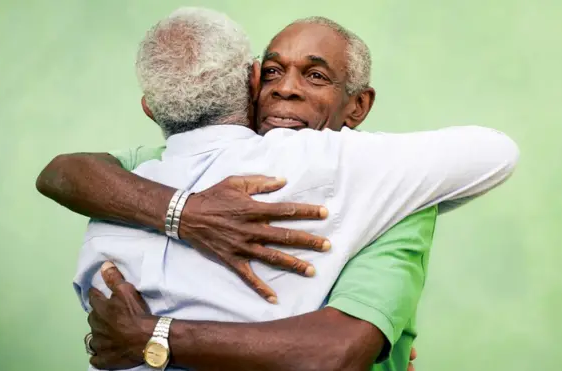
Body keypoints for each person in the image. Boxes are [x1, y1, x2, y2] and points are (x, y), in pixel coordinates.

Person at [37, 8, 519, 371]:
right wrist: (187, 213)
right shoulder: (166, 167)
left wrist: (148, 335)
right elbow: (64, 172)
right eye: (272, 71)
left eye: (315, 75)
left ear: (358, 106)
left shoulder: (389, 192)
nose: (285, 89)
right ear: (250, 83)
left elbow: (337, 351)